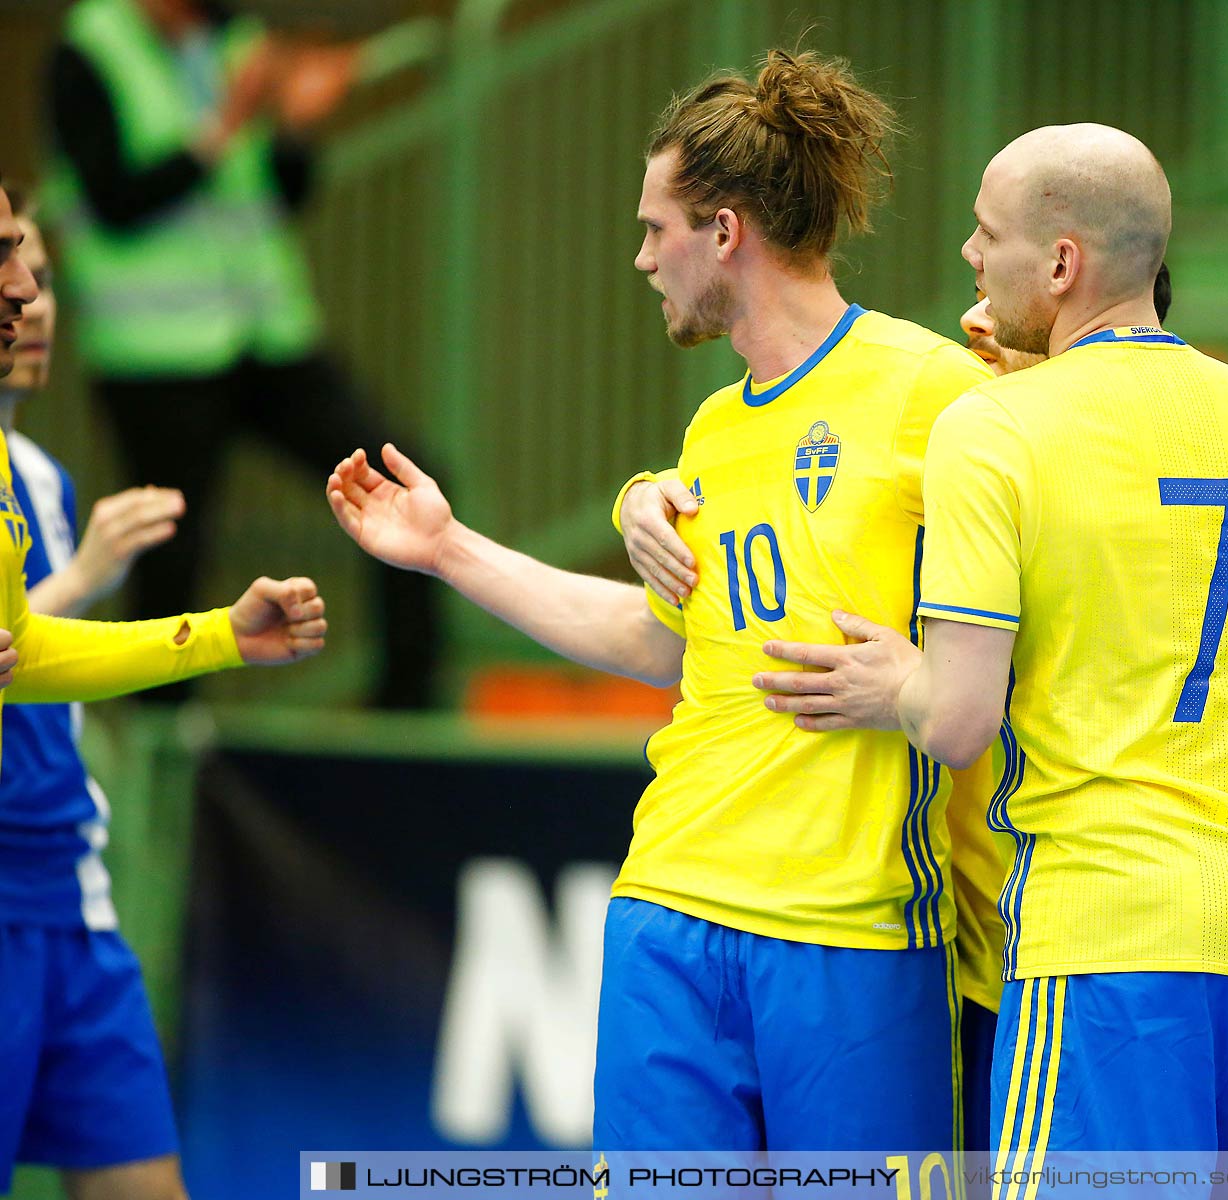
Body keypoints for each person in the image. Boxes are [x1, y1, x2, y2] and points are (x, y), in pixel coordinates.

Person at [329, 49, 994, 1154]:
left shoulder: (935, 392)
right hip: (670, 912)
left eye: (656, 229)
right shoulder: (714, 430)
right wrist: (447, 550)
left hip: (859, 933)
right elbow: (663, 644)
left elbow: (1048, 615)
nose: (642, 258)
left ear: (724, 232)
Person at [618, 266, 1228, 1154]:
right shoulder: (962, 490)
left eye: (992, 311)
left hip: (1053, 952)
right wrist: (647, 493)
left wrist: (912, 684)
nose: (972, 326)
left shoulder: (1026, 479)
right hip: (992, 956)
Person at [0, 180, 327, 1200]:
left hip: (70, 892)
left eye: (38, 270)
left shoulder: (28, 480)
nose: (32, 295)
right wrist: (95, 575)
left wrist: (222, 635)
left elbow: (28, 658)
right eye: (9, 264)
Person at [39, 0, 438, 707]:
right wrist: (225, 121)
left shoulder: (238, 39)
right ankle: (161, 758)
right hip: (155, 355)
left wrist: (293, 127)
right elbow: (113, 201)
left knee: (411, 481)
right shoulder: (87, 53)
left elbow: (280, 194)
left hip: (267, 336)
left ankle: (403, 721)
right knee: (171, 558)